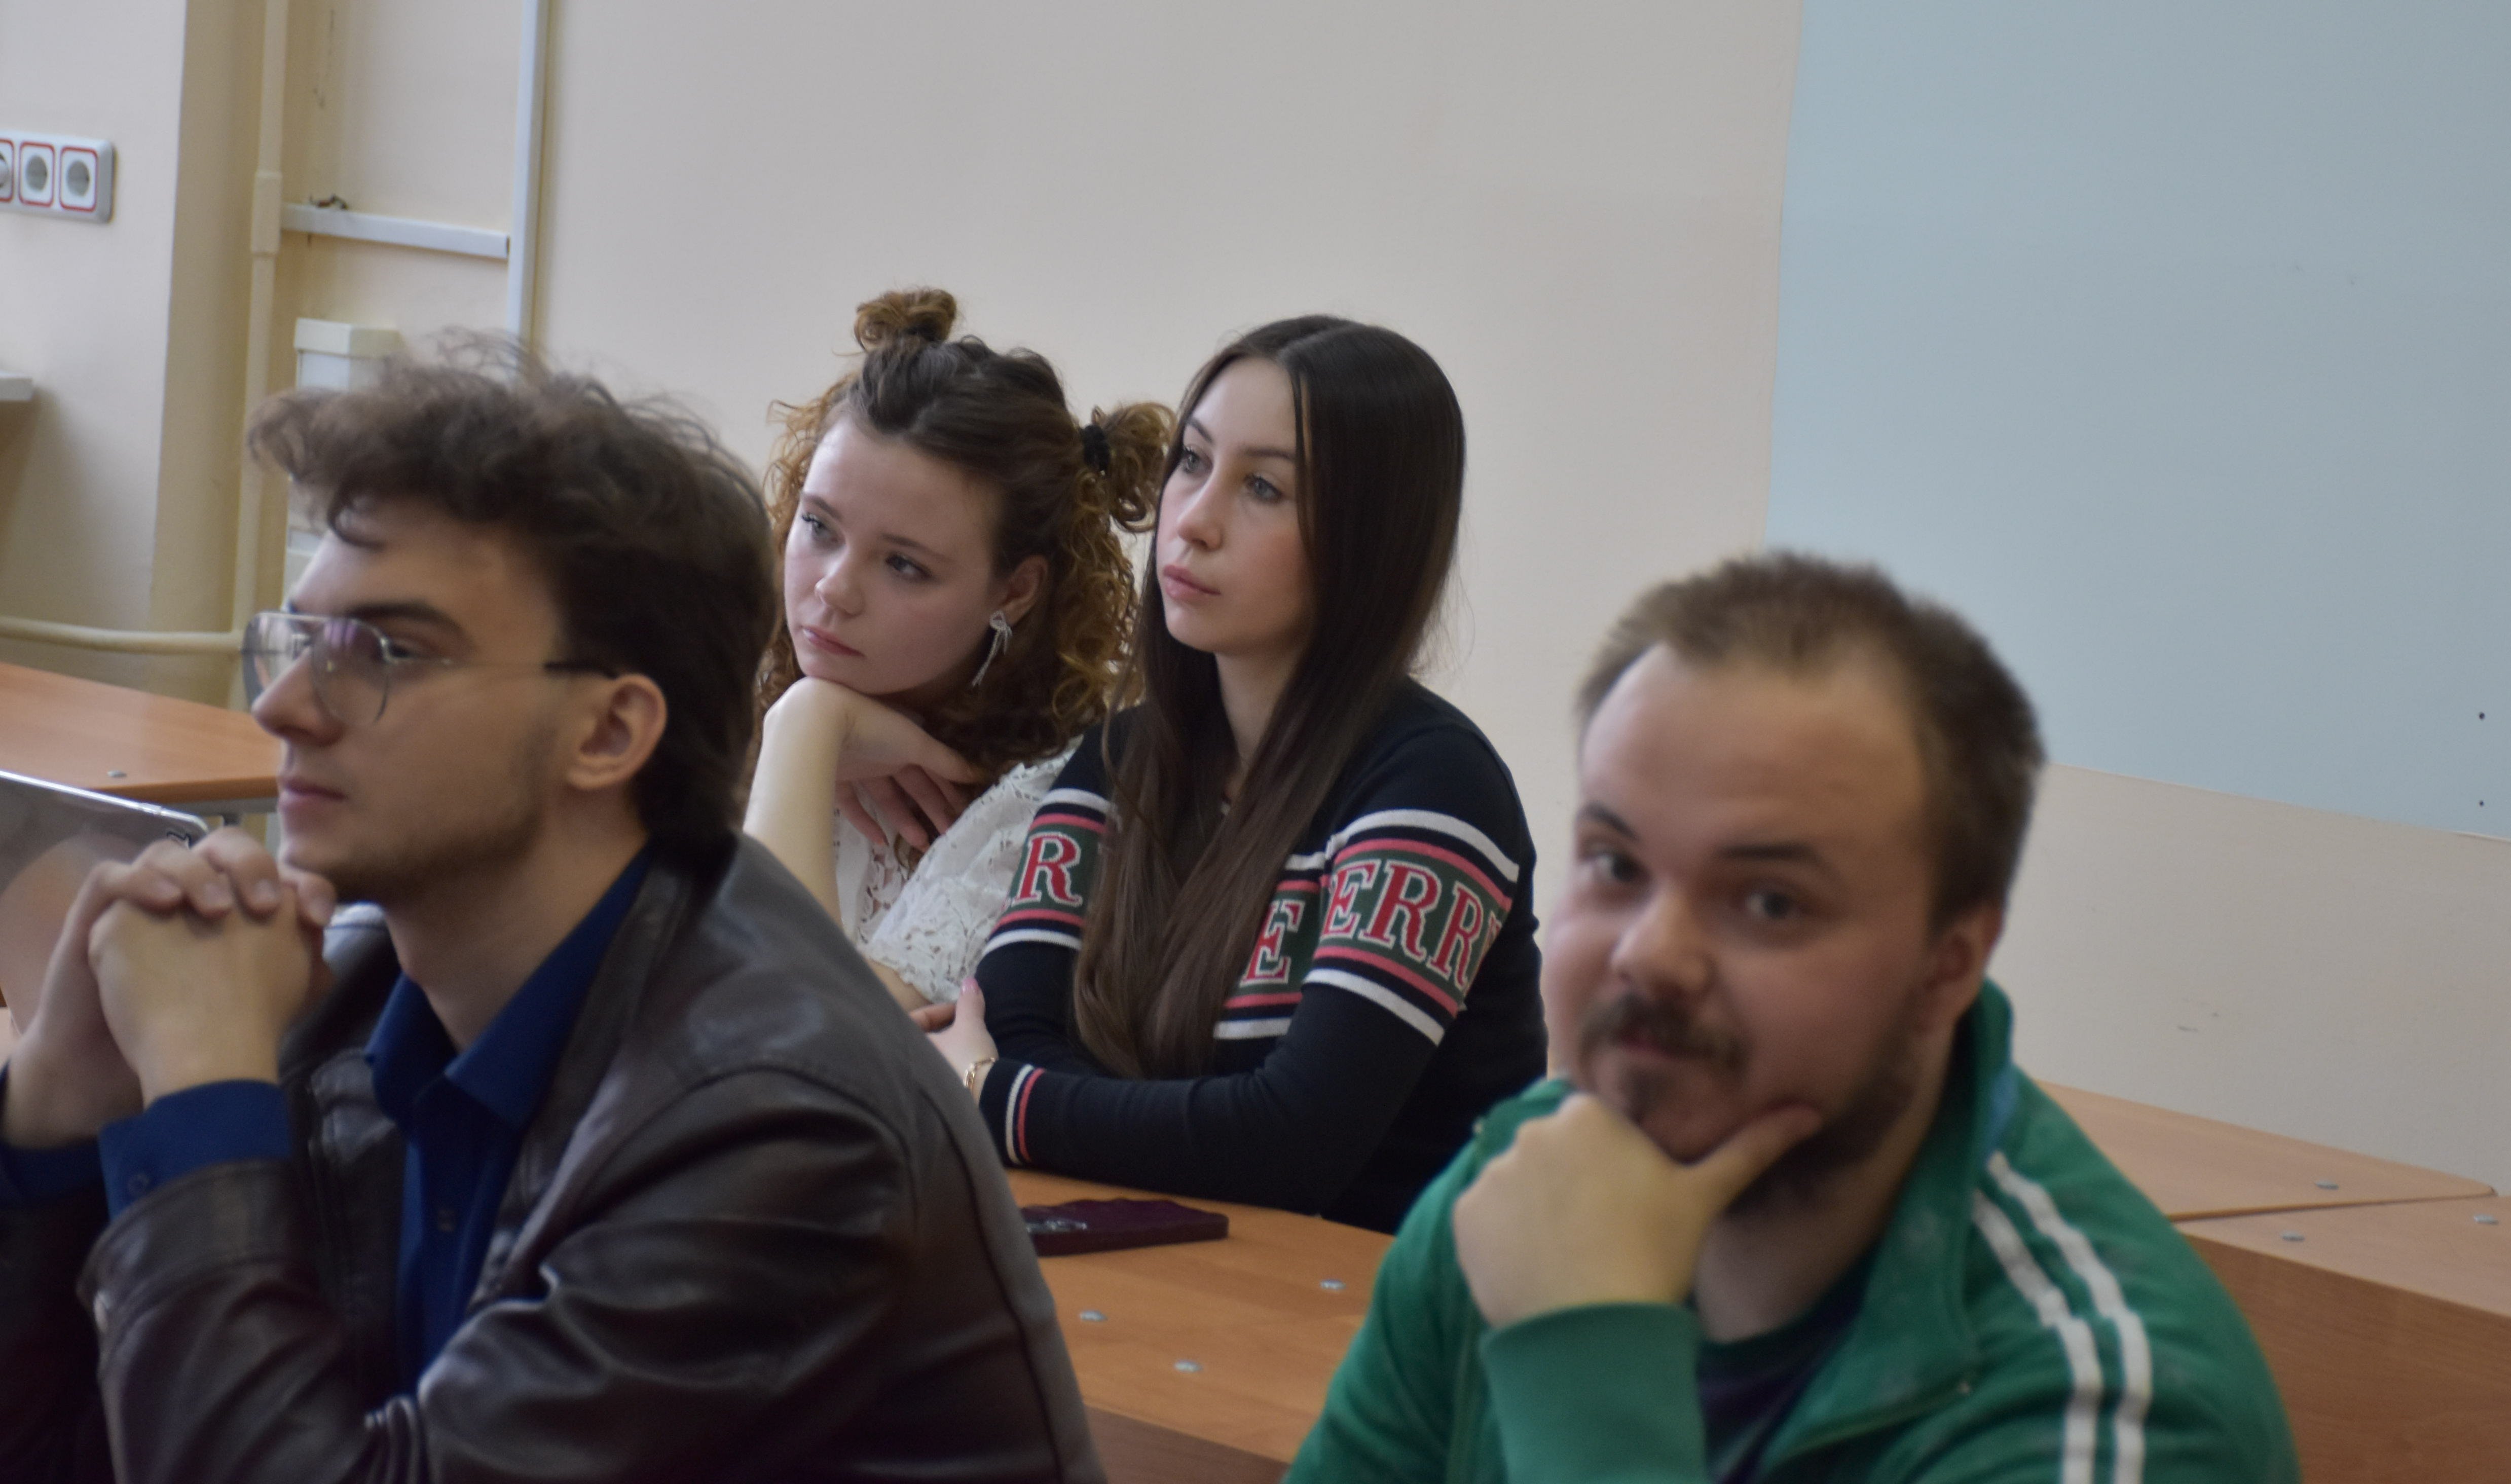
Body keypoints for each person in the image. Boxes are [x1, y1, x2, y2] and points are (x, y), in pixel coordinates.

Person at [0, 352, 1101, 1483]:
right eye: (303, 641)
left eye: (389, 652)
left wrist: (202, 1097)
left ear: (608, 733)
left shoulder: (783, 1120)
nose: (284, 706)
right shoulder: (361, 988)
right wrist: (49, 1116)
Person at [1289, 552, 2299, 1484]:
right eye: (1616, 863)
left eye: (1771, 901)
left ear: (1949, 964)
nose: (1652, 954)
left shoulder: (2108, 1412)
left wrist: (1583, 1353)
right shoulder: (1521, 1191)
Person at [931, 317, 1545, 1233]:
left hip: (1377, 1304)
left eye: (1264, 488)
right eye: (1192, 461)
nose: (1193, 521)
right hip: (1163, 1272)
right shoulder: (1118, 761)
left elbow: (1293, 1144)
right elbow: (1013, 1025)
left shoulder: (1433, 787)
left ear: (1370, 539)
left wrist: (996, 1097)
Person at [742, 289, 1166, 1006]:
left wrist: (807, 723)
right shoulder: (719, 693)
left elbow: (788, 1030)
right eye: (819, 527)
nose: (833, 589)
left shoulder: (1051, 809)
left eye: (903, 564)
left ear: (1015, 592)